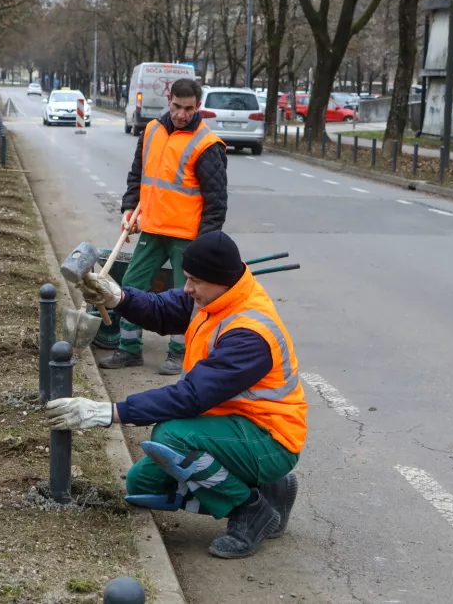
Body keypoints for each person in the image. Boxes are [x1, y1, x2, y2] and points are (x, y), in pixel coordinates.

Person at [44, 231, 306, 559]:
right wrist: (119, 298)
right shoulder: (215, 297)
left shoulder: (249, 335)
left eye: (195, 280)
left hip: (270, 438)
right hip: (227, 426)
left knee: (170, 438)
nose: (187, 288)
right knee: (142, 486)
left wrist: (110, 412)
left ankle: (250, 508)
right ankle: (271, 489)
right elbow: (165, 309)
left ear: (221, 280)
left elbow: (190, 397)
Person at [97, 78, 229, 376]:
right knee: (130, 285)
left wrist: (205, 245)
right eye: (177, 107)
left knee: (187, 296)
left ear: (198, 107)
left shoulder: (207, 145)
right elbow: (137, 176)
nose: (182, 114)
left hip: (188, 237)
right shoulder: (152, 131)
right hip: (153, 228)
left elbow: (216, 202)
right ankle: (129, 348)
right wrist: (130, 208)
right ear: (169, 101)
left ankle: (180, 353)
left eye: (189, 108)